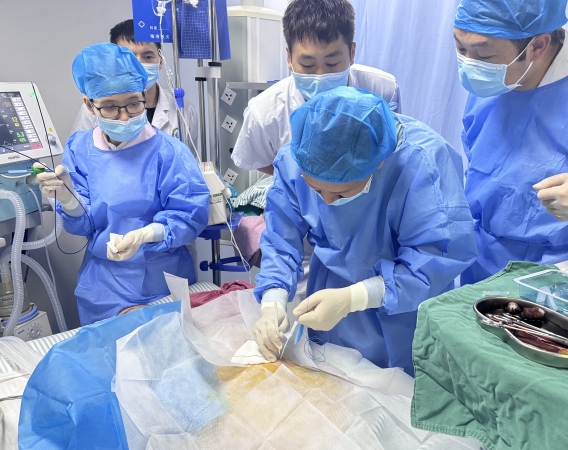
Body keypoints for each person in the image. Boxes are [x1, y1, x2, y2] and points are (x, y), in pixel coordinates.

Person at [251, 87, 478, 376]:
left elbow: (433, 260)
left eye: (341, 193)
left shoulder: (424, 163)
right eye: (315, 190)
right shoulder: (300, 156)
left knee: (402, 392)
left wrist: (355, 297)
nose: (326, 203)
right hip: (333, 302)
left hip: (408, 313)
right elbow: (281, 240)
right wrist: (272, 302)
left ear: (379, 164)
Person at [36, 43, 210, 325]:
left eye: (133, 103)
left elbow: (190, 216)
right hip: (103, 286)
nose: (125, 116)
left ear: (144, 95)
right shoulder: (80, 149)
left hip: (163, 282)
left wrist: (147, 234)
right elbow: (81, 226)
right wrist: (69, 200)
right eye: (110, 107)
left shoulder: (169, 152)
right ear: (89, 105)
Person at [454, 0, 568, 284]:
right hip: (482, 266)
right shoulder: (493, 84)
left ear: (538, 46)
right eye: (460, 49)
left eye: (483, 55)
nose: (470, 66)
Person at [231, 0, 401, 175]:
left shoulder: (382, 91)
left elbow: (394, 148)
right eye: (308, 65)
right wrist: (296, 180)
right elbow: (257, 159)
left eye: (332, 63)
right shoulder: (265, 112)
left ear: (351, 53)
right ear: (289, 57)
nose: (320, 76)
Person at [71, 19, 199, 153]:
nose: (138, 66)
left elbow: (190, 159)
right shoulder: (96, 109)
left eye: (148, 57)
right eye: (129, 59)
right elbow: (79, 153)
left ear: (160, 61)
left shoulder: (184, 111)